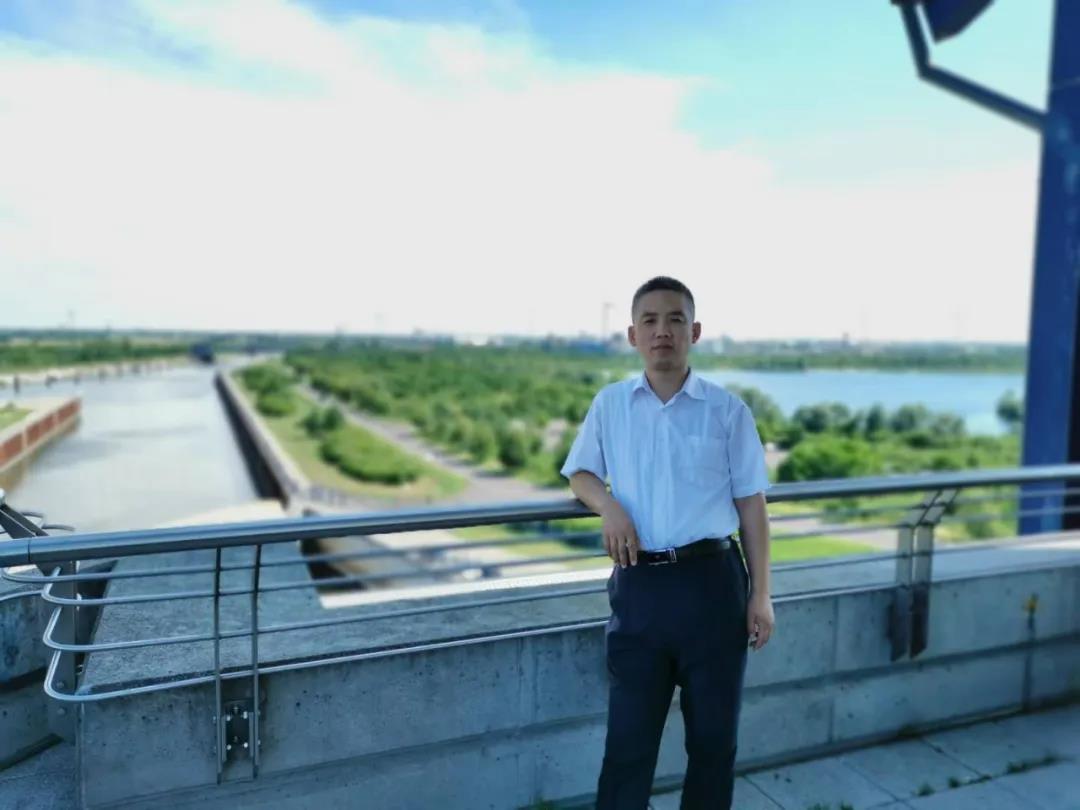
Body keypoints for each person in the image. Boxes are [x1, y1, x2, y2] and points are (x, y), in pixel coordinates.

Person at [560, 276, 774, 810]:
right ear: (633, 335)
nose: (663, 331)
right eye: (650, 321)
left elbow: (752, 507)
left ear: (694, 332)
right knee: (627, 746)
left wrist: (761, 595)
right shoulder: (610, 405)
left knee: (713, 744)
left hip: (713, 587)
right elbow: (580, 474)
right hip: (640, 588)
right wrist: (609, 506)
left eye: (675, 319)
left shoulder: (728, 411)